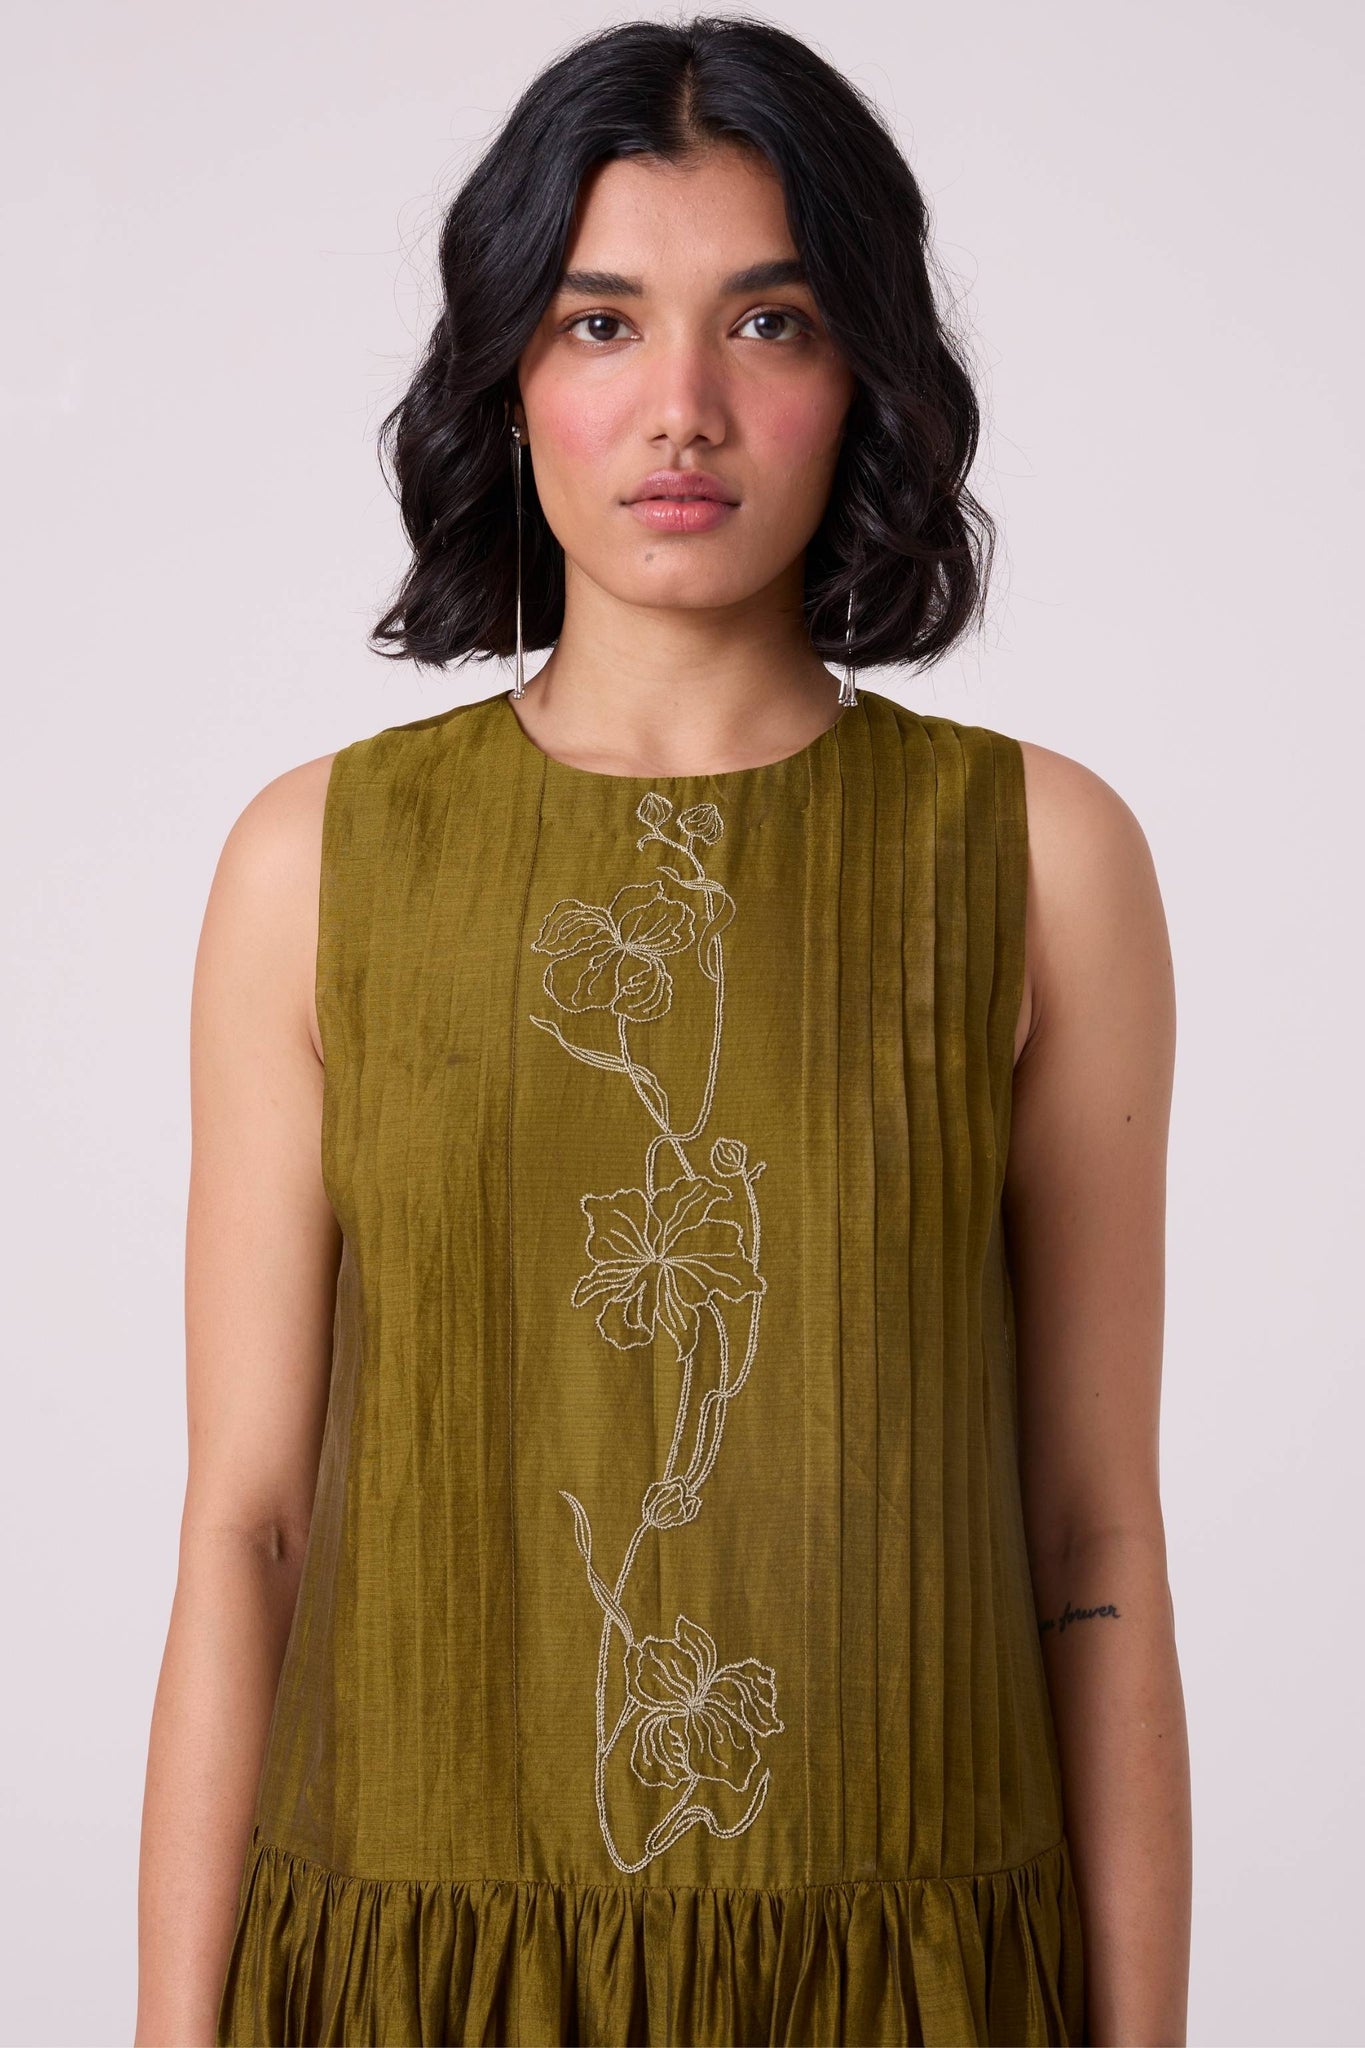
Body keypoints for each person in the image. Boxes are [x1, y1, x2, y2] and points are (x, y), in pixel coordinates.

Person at [135, 16, 1191, 2046]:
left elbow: (1092, 1538)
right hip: (416, 1981)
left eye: (768, 322)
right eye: (601, 322)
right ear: (508, 376)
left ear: (862, 372)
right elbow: (247, 1528)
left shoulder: (1038, 859)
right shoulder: (314, 864)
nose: (681, 409)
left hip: (906, 1983)